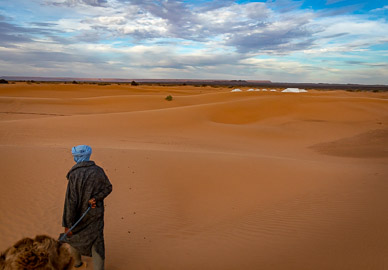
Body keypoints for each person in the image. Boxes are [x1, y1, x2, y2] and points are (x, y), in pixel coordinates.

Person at [61, 145, 112, 269]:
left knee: (73, 236)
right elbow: (108, 188)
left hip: (78, 213)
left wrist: (68, 223)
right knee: (97, 240)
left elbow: (71, 201)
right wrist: (96, 198)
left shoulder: (74, 174)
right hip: (96, 213)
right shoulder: (98, 171)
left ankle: (77, 264)